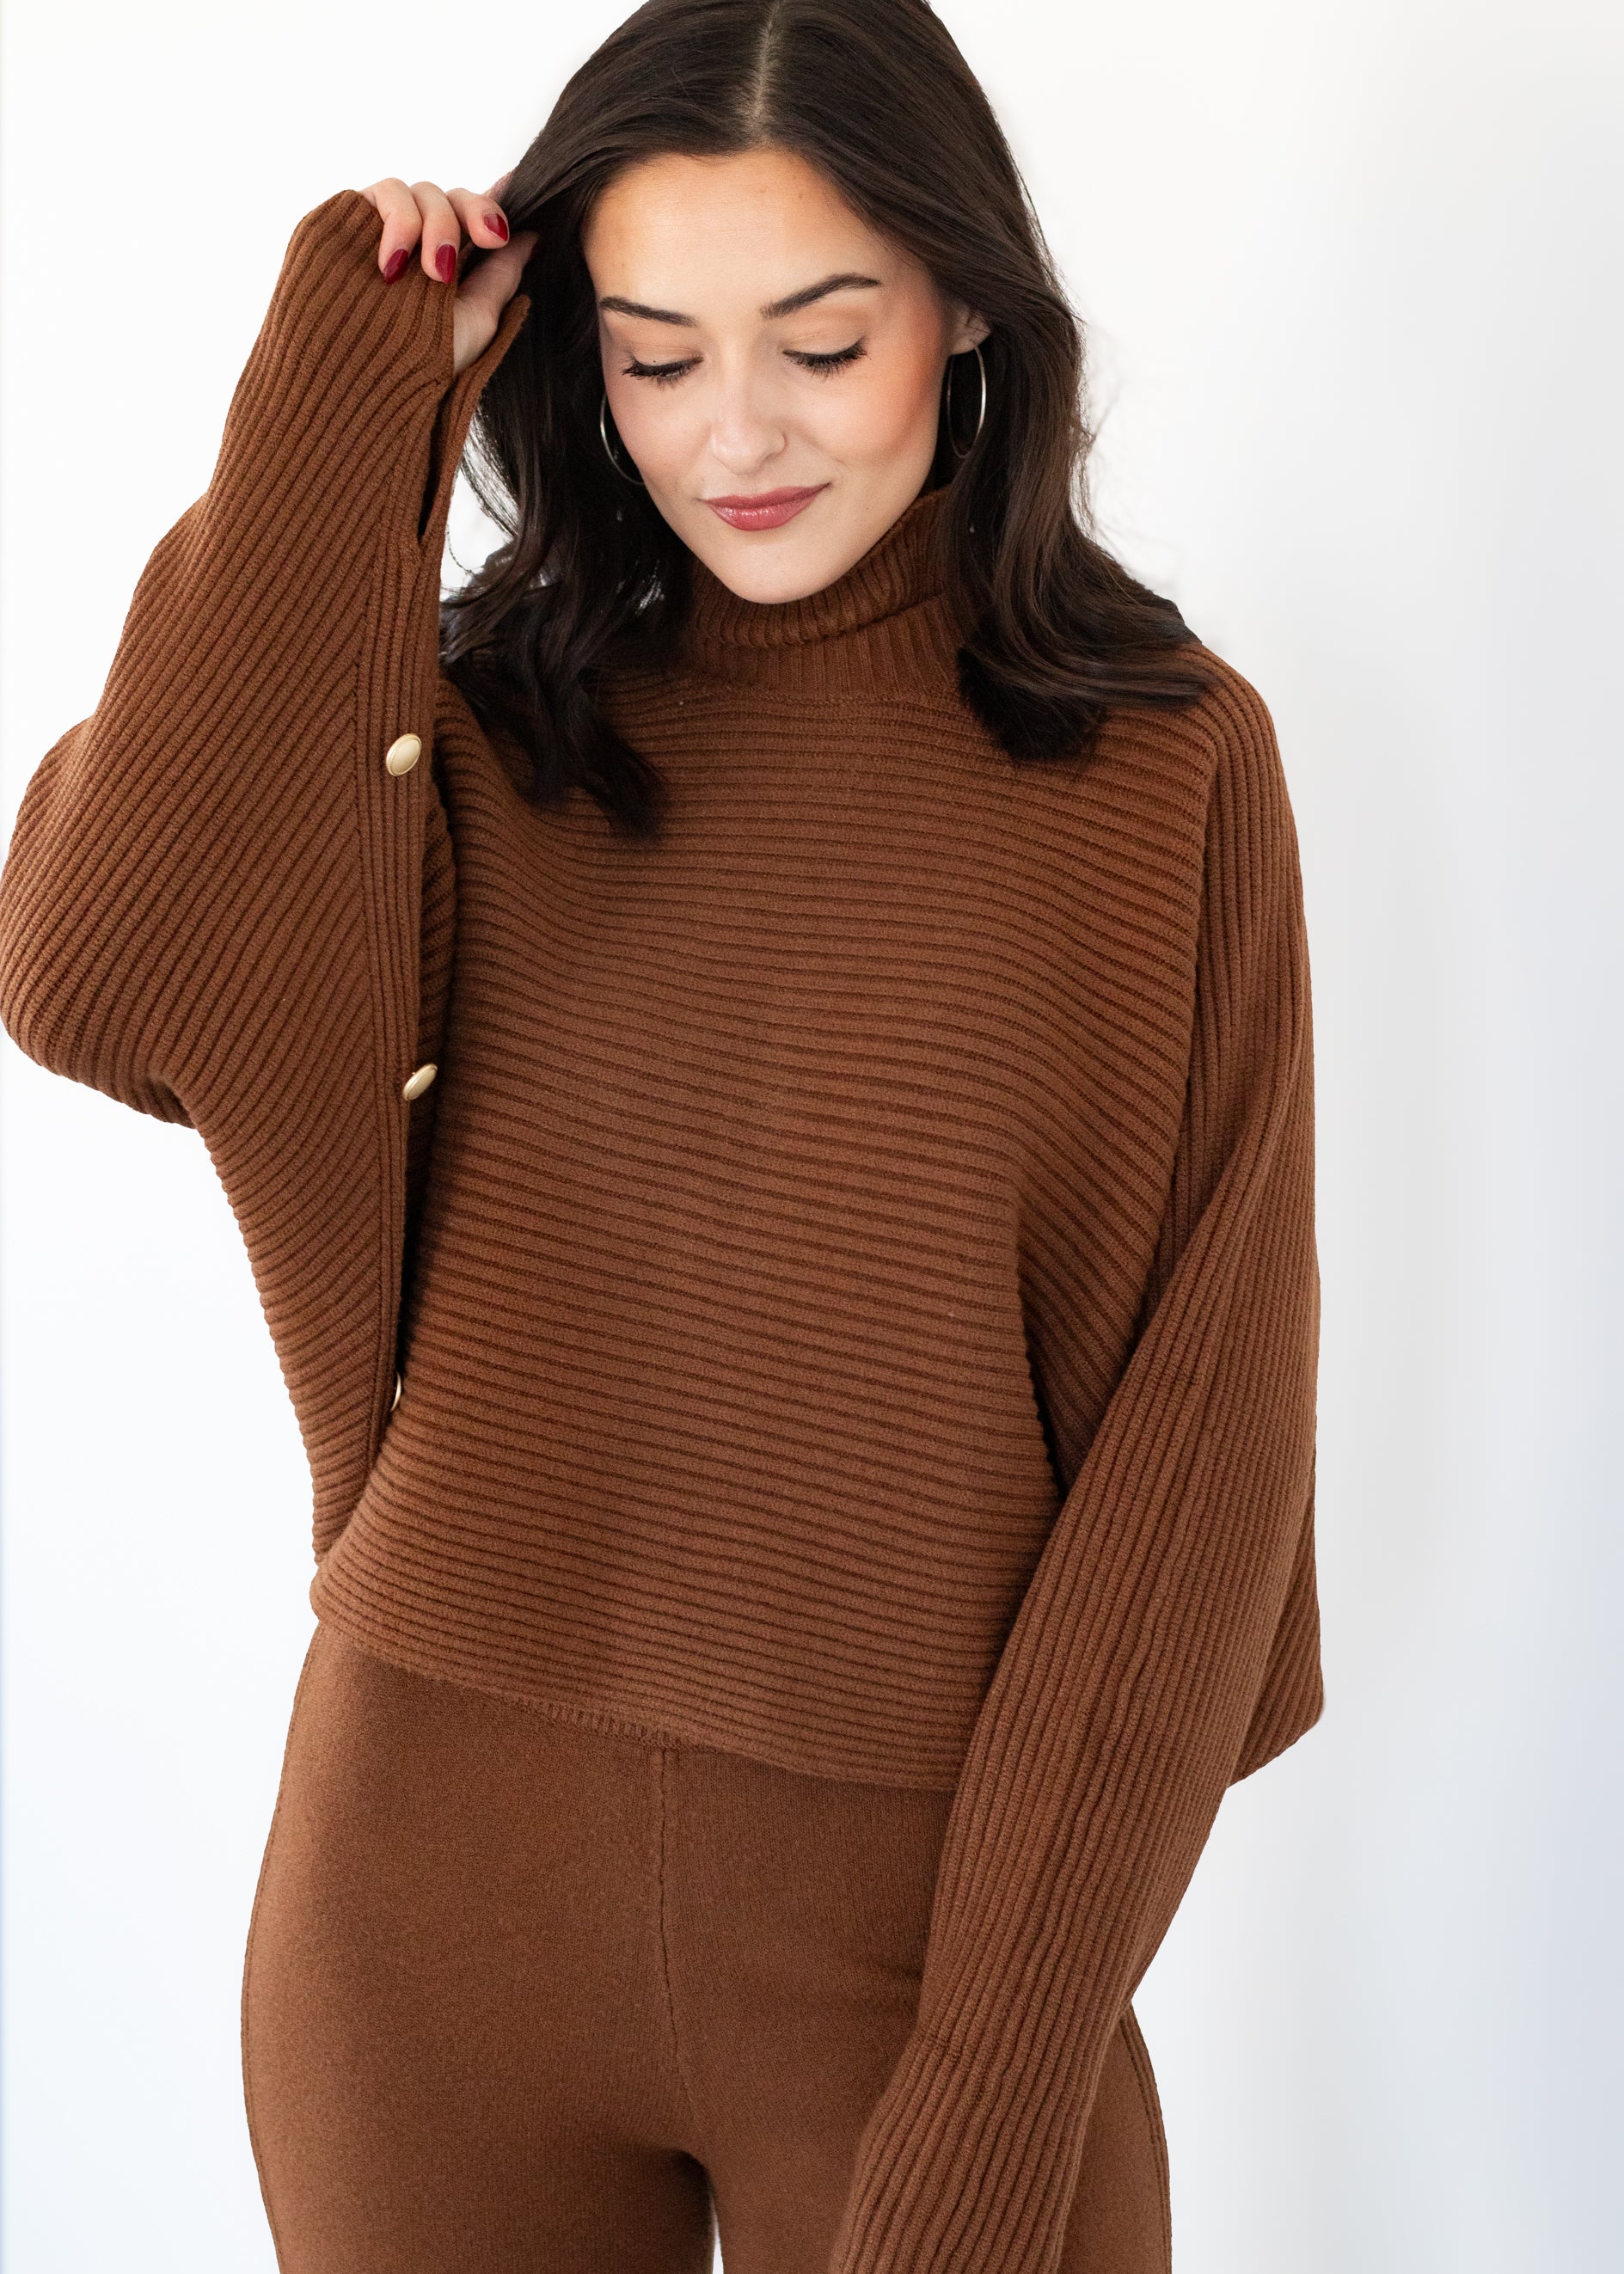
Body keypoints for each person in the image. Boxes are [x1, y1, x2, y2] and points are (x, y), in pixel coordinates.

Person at [0, 1, 1322, 2268]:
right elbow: (93, 966)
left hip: (915, 1955)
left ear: (965, 306)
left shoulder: (1160, 775)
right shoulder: (483, 731)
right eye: (652, 353)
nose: (736, 437)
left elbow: (1190, 1491)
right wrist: (341, 404)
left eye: (819, 341)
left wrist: (995, 2096)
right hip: (425, 1908)